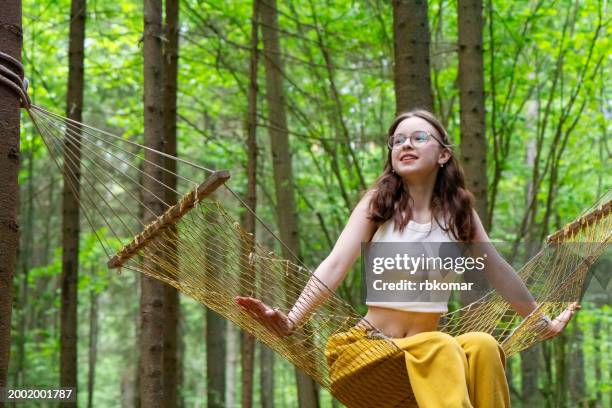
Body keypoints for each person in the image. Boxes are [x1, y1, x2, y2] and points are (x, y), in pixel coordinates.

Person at [235, 109, 580, 407]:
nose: (406, 145)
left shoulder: (460, 212)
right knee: (442, 345)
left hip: (425, 361)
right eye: (398, 141)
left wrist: (541, 324)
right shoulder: (379, 204)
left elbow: (499, 271)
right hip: (370, 358)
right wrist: (292, 320)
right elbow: (336, 263)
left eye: (418, 137)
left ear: (443, 154)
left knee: (484, 344)